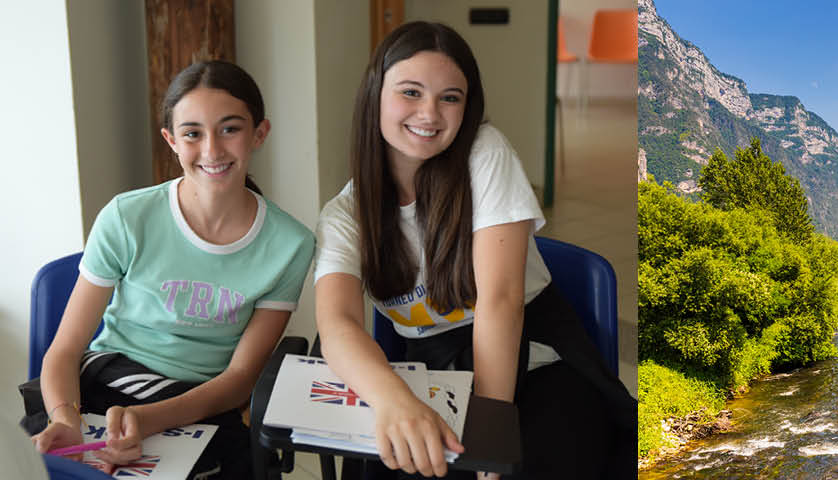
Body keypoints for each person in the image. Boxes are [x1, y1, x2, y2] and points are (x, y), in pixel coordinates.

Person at [311, 21, 629, 479]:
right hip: (430, 373)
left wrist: (490, 429)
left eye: (450, 98)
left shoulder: (484, 151)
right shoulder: (345, 213)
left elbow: (500, 302)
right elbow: (337, 323)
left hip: (533, 359)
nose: (430, 114)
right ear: (374, 95)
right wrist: (394, 401)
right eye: (411, 92)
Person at [24, 60, 316, 480]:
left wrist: (149, 419)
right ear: (171, 141)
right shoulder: (127, 216)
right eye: (193, 134)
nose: (212, 150)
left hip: (200, 403)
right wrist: (66, 421)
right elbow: (65, 350)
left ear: (259, 134)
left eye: (230, 129)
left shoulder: (291, 244)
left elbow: (240, 378)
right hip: (105, 385)